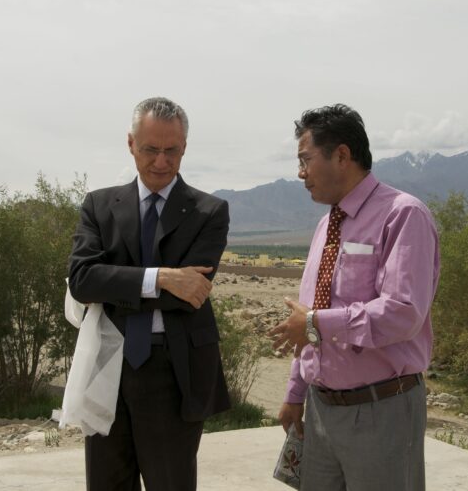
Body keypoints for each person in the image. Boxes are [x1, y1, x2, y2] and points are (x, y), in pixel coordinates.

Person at [269, 104, 440, 491]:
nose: (300, 173)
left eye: (305, 160)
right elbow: (308, 313)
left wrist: (315, 323)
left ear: (342, 155)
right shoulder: (325, 226)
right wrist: (296, 392)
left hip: (382, 410)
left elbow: (402, 312)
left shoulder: (403, 215)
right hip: (320, 410)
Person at [68, 97, 231, 491]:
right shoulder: (99, 206)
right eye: (150, 149)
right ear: (130, 144)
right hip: (106, 366)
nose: (161, 161)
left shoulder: (209, 212)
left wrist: (116, 284)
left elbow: (189, 293)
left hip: (174, 373)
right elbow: (82, 280)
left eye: (171, 150)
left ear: (184, 147)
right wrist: (161, 278)